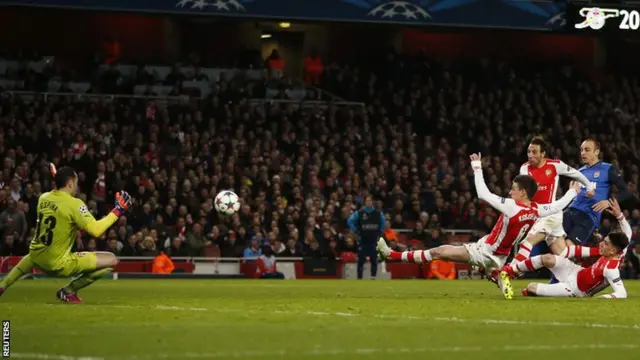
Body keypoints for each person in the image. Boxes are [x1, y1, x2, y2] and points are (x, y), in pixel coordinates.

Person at [377, 153, 581, 298]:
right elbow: (557, 206)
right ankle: (499, 276)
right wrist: (572, 192)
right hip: (500, 256)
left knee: (439, 251)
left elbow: (483, 194)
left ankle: (391, 255)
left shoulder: (512, 207)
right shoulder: (537, 209)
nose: (510, 192)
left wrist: (477, 168)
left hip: (485, 251)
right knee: (495, 265)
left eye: (513, 189)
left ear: (523, 193)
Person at [0, 165, 132, 303]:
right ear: (70, 183)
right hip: (59, 264)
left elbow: (58, 206)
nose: (76, 187)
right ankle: (68, 291)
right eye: (75, 183)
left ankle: (3, 284)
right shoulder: (74, 204)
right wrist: (118, 211)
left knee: (32, 256)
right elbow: (96, 230)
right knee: (112, 261)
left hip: (36, 257)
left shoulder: (43, 198)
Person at [499, 198, 630, 299]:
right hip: (575, 271)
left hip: (575, 289)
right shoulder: (615, 250)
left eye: (605, 243)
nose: (601, 243)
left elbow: (621, 293)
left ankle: (533, 291)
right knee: (548, 259)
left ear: (613, 250)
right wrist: (619, 216)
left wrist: (601, 299)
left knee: (531, 288)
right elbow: (627, 233)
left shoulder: (611, 269)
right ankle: (509, 271)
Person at [505, 137, 594, 270]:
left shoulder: (555, 165)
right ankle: (583, 273)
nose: (530, 155)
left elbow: (575, 173)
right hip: (538, 215)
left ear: (543, 154)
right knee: (563, 254)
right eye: (528, 152)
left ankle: (508, 271)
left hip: (550, 214)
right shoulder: (525, 168)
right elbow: (522, 192)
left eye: (534, 152)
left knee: (529, 241)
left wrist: (589, 187)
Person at [347, 195, 385, 280]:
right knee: (361, 260)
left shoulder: (378, 213)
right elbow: (349, 221)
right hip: (363, 239)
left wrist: (380, 231)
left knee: (374, 259)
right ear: (364, 202)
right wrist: (356, 230)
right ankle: (360, 278)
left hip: (373, 239)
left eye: (370, 201)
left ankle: (373, 277)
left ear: (372, 202)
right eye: (367, 201)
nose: (369, 202)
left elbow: (383, 222)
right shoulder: (359, 213)